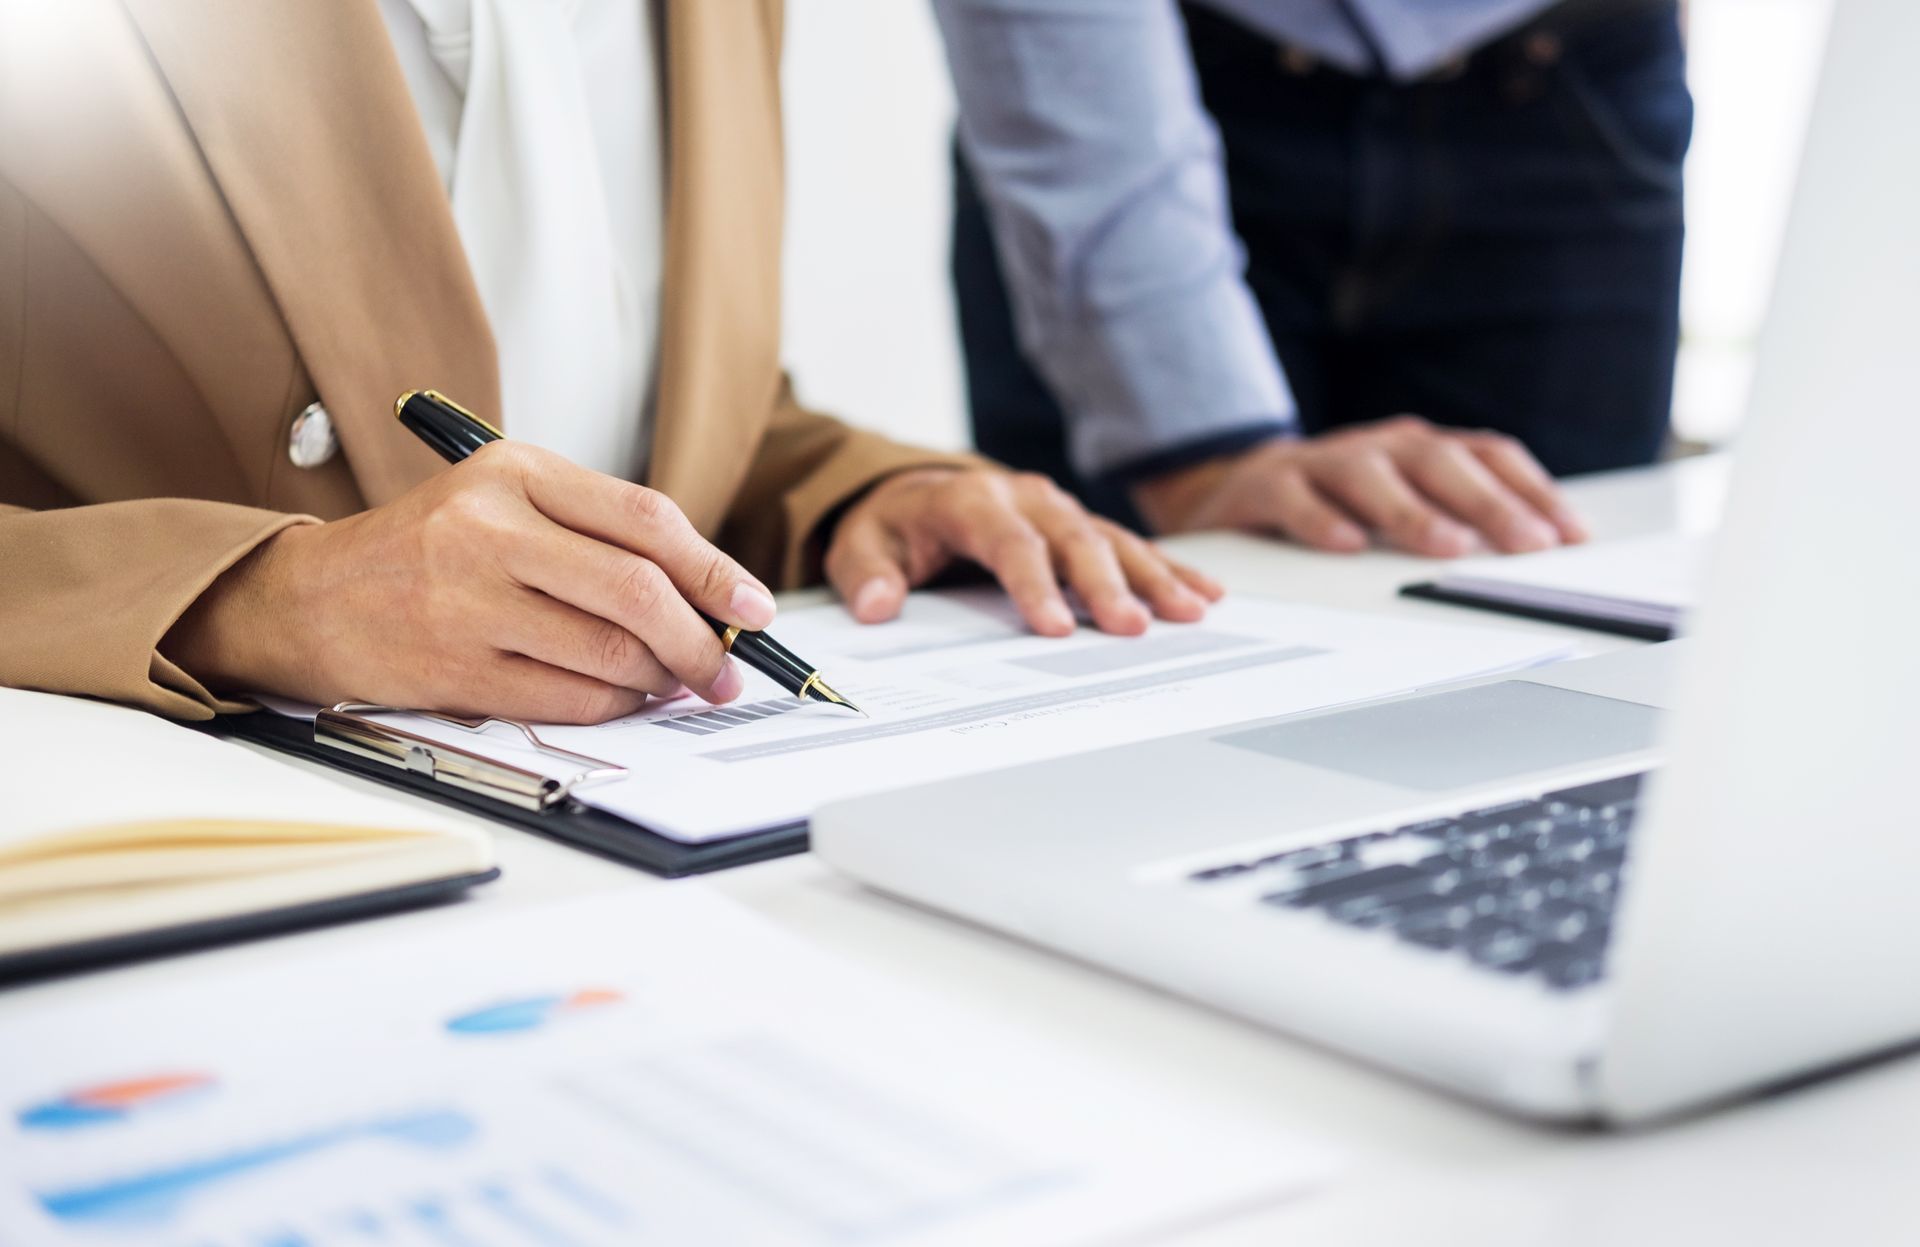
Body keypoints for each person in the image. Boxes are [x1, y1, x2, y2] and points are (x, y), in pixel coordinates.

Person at [0, 0, 1220, 727]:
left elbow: (613, 401)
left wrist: (855, 488)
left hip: (618, 888)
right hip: (174, 859)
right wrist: (261, 596)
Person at [938, 0, 1692, 556]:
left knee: (1559, 614)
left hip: (1578, 79)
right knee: (1114, 644)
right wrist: (1200, 455)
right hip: (1120, 92)